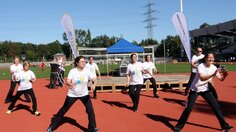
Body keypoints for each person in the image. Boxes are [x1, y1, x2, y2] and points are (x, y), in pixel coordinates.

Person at [174, 52, 233, 132]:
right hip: (195, 89)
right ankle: (178, 126)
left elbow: (221, 79)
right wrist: (213, 74)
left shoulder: (214, 68)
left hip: (205, 89)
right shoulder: (200, 66)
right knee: (189, 108)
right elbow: (202, 78)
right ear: (205, 58)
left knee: (216, 107)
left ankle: (225, 126)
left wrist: (225, 75)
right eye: (209, 57)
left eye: (212, 58)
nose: (211, 59)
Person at [47, 56, 99, 132]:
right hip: (72, 94)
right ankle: (51, 127)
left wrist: (94, 85)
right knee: (63, 110)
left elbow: (94, 79)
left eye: (84, 61)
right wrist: (70, 83)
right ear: (77, 63)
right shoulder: (73, 71)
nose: (83, 63)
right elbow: (68, 81)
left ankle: (92, 128)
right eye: (81, 61)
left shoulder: (87, 71)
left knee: (90, 111)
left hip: (84, 94)